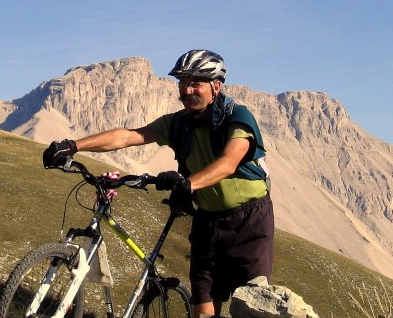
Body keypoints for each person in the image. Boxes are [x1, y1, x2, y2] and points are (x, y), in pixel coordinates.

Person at [43, 49, 274, 318]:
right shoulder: (178, 123)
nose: (187, 91)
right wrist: (74, 146)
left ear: (216, 86)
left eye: (195, 83)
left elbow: (229, 162)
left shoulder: (237, 118)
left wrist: (186, 184)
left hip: (249, 223)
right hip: (206, 221)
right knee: (203, 310)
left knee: (251, 306)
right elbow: (129, 136)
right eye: (183, 83)